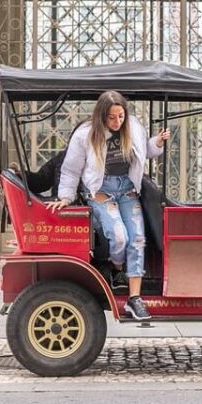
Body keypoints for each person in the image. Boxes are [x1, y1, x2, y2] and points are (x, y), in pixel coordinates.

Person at [47, 90, 170, 321]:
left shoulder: (133, 127)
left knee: (137, 239)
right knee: (119, 236)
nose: (117, 122)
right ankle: (116, 268)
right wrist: (65, 197)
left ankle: (135, 298)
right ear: (102, 116)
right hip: (100, 190)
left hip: (127, 189)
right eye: (112, 118)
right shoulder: (85, 134)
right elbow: (71, 168)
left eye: (121, 116)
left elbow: (145, 150)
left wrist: (158, 142)